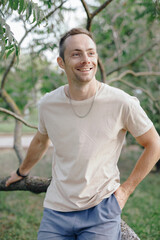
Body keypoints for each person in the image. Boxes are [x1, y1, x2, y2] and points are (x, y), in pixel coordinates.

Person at [6, 28, 160, 240]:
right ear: (61, 62)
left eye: (91, 52)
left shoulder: (121, 102)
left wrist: (125, 191)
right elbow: (41, 140)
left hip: (101, 210)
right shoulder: (48, 104)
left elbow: (154, 144)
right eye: (76, 53)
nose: (86, 59)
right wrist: (22, 172)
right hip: (56, 210)